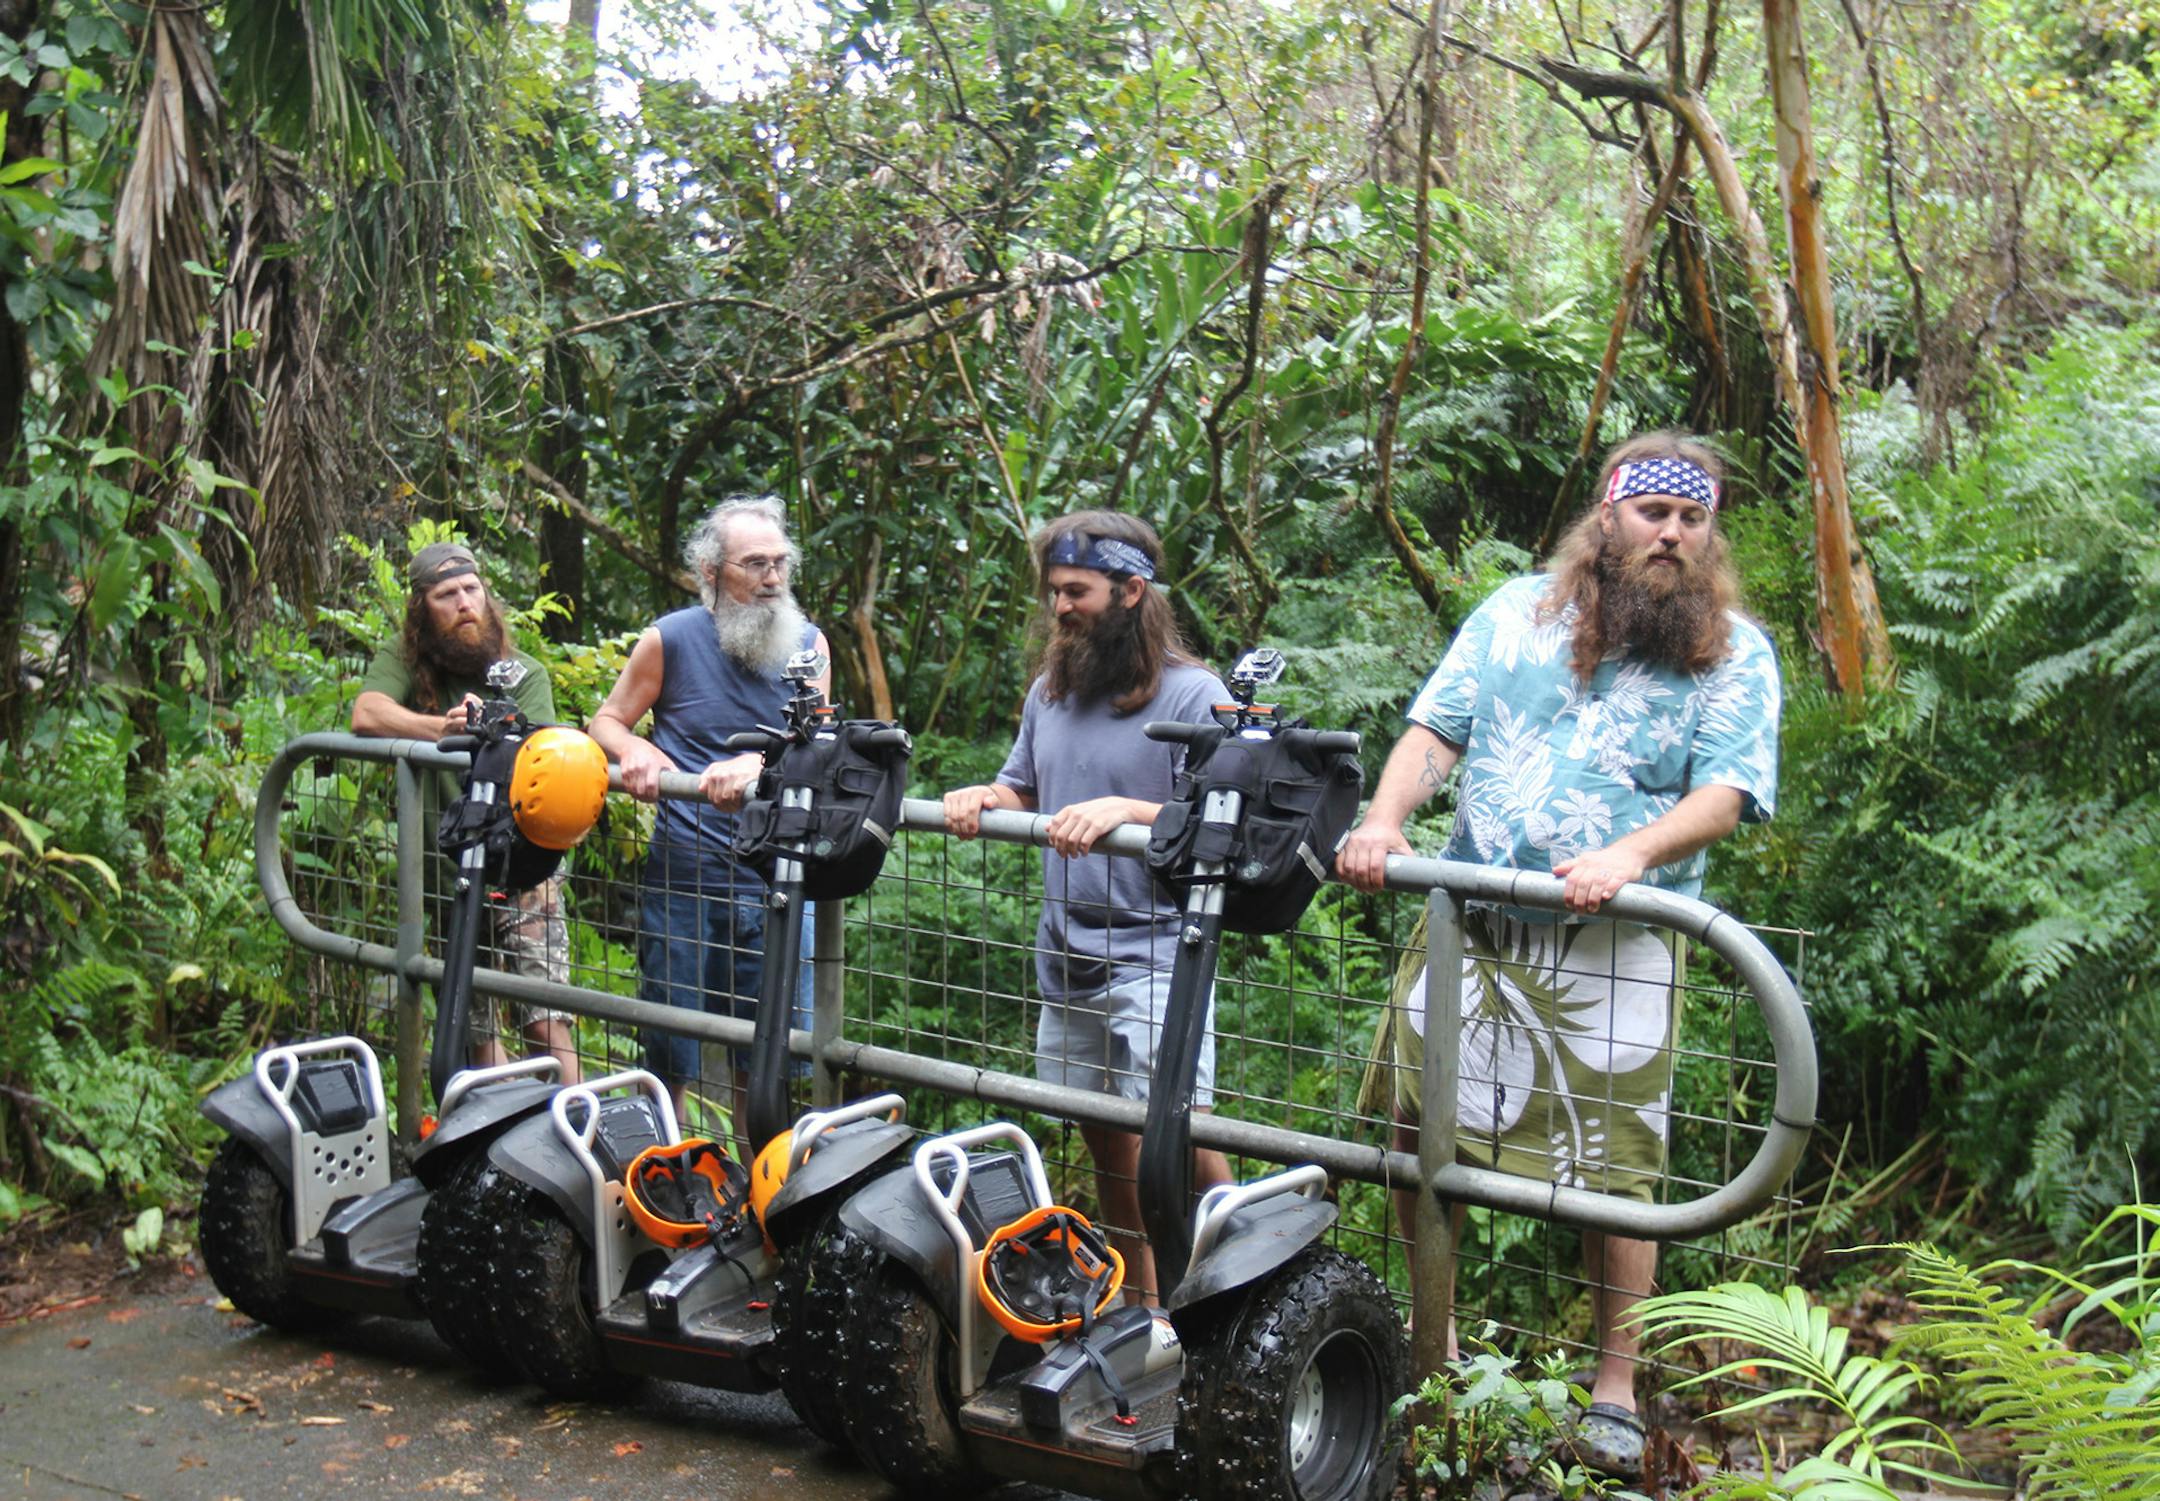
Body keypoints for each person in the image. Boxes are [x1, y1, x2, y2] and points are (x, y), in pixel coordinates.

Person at [1338, 433, 1781, 1478]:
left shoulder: (1733, 648)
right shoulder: (1513, 611)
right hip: (1472, 921)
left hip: (1619, 941)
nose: (1672, 534)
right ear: (1607, 515)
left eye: (1692, 519)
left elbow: (1728, 790)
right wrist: (1386, 816)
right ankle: (1436, 1347)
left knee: (1614, 1162)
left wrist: (1629, 852)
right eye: (1653, 514)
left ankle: (1615, 1387)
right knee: (1416, 1123)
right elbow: (1435, 726)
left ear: (1709, 533)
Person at [942, 510, 1235, 1301]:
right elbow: (1025, 786)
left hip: (1159, 950)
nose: (1060, 607)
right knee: (1106, 1140)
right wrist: (986, 796)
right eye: (1055, 592)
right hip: (1066, 952)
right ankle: (1141, 1307)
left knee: (1183, 1134)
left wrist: (1125, 811)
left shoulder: (1196, 692)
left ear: (1132, 590)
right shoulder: (1052, 689)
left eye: (1077, 591)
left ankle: (1234, 1291)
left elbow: (1221, 819)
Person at [588, 495, 830, 1144]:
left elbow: (819, 749)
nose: (773, 577)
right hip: (685, 875)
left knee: (770, 1056)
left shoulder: (810, 646)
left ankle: (761, 1206)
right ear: (711, 569)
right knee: (671, 1053)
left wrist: (758, 763)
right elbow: (606, 720)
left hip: (776, 877)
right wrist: (636, 749)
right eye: (756, 563)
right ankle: (667, 1187)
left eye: (781, 562)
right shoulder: (668, 639)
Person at [352, 541, 582, 1084]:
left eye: (471, 590)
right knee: (476, 1027)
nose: (463, 604)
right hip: (448, 869)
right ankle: (496, 1141)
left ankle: (578, 1135)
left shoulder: (523, 672)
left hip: (526, 866)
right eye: (446, 595)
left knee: (545, 1020)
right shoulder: (407, 661)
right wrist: (444, 731)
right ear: (421, 610)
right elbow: (366, 713)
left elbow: (542, 754)